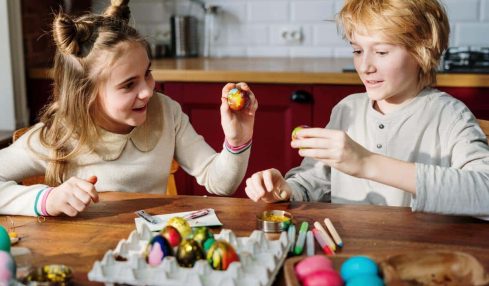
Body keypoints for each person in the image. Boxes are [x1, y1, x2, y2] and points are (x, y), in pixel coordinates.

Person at [0, 0, 257, 217]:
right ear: (86, 95)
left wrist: (237, 141)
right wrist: (47, 200)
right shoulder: (60, 135)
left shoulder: (166, 112)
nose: (147, 91)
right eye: (128, 85)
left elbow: (220, 183)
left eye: (147, 74)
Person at [244, 0, 489, 216]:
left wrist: (367, 163)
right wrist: (286, 189)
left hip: (420, 260)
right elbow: (315, 180)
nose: (365, 66)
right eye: (357, 50)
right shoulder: (347, 109)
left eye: (381, 51)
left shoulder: (449, 116)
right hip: (349, 251)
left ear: (421, 50)